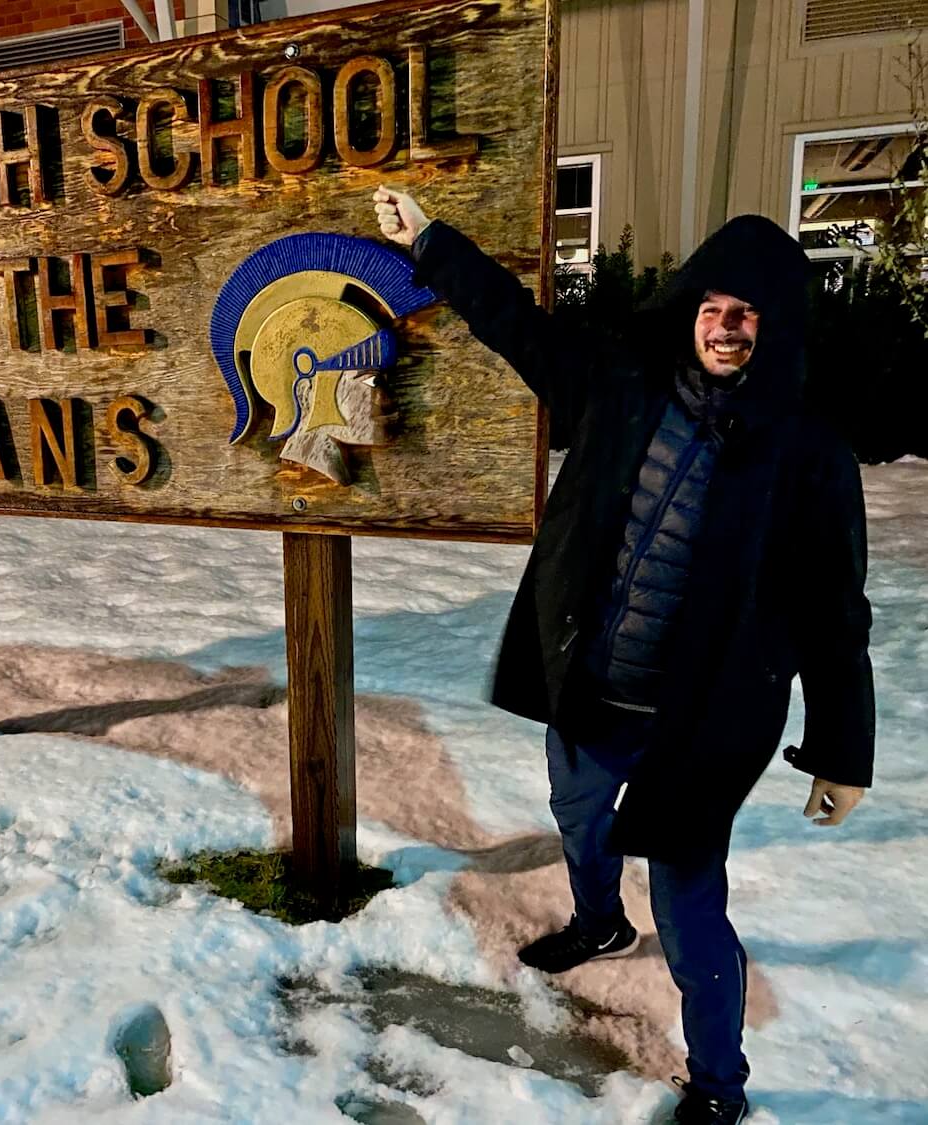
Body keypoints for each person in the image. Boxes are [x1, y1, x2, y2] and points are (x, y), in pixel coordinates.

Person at [372, 188, 875, 1125]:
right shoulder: (621, 385)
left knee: (691, 921)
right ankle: (599, 918)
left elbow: (835, 616)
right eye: (715, 308)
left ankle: (719, 1084)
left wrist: (843, 750)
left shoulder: (809, 457)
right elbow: (516, 324)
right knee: (576, 811)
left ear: (779, 329)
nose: (727, 329)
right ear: (691, 310)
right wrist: (434, 241)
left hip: (702, 730)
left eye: (749, 315)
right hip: (593, 685)